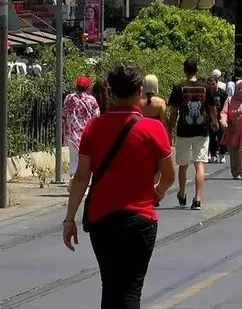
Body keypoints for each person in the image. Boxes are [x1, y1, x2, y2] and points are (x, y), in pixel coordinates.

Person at [62, 64, 175, 308]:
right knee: (131, 289)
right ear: (139, 91)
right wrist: (156, 194)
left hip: (103, 220)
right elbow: (169, 176)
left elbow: (81, 177)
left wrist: (69, 219)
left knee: (111, 287)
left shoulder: (93, 128)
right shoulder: (153, 128)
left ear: (111, 92)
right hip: (140, 220)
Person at [168, 59, 218, 210]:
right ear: (197, 70)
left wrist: (169, 130)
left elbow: (174, 112)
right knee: (199, 164)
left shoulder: (179, 87)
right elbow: (211, 107)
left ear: (185, 70)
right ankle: (197, 199)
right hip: (202, 130)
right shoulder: (206, 87)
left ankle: (182, 194)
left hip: (184, 130)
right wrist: (215, 122)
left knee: (183, 165)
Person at [63, 75, 100, 193]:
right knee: (85, 159)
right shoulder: (91, 100)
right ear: (88, 87)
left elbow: (63, 115)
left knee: (74, 158)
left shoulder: (69, 98)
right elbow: (96, 117)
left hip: (72, 134)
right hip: (86, 134)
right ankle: (83, 184)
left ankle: (74, 178)